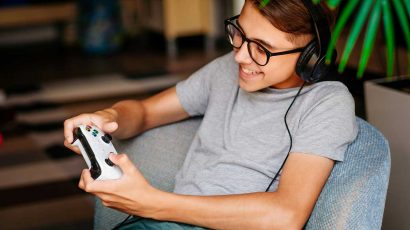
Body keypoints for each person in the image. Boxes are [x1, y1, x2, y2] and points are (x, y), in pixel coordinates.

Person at [64, 0, 358, 229]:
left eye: (262, 49)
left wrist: (153, 203)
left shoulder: (326, 102)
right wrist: (108, 116)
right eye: (240, 33)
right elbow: (144, 112)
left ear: (310, 57)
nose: (240, 56)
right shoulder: (224, 71)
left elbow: (286, 216)